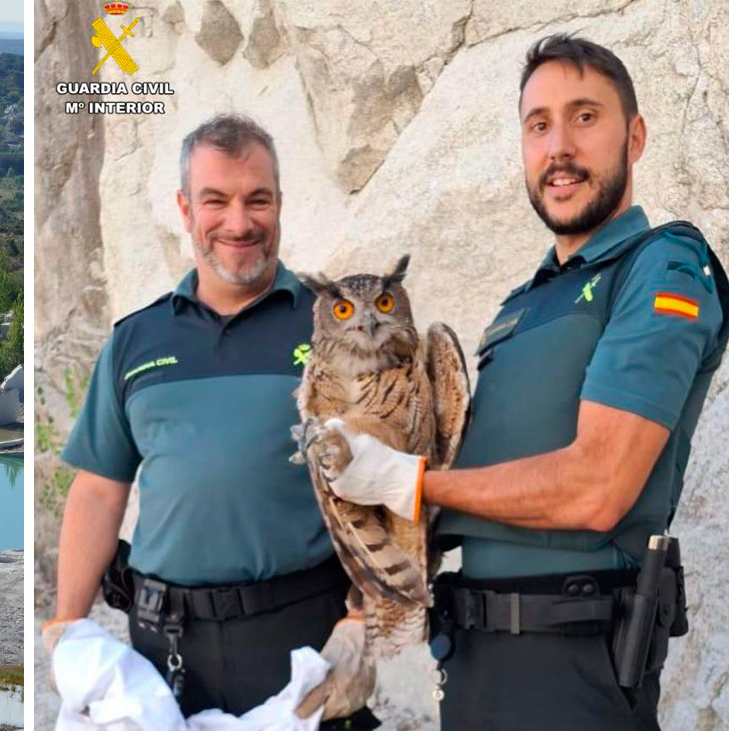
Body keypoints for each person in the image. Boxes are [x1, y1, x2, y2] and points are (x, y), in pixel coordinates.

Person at [319, 34, 729, 730]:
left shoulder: (661, 267)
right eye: (538, 124)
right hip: (475, 664)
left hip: (574, 670)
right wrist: (361, 598)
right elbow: (469, 492)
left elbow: (598, 488)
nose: (559, 146)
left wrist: (407, 481)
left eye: (584, 117)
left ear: (634, 136)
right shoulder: (518, 307)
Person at [42, 113, 379, 729]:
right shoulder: (134, 342)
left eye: (258, 200)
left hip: (303, 637)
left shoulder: (339, 329)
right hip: (163, 644)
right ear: (184, 207)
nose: (239, 222)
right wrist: (67, 621)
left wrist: (361, 624)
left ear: (280, 203)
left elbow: (392, 484)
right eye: (215, 200)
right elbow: (98, 488)